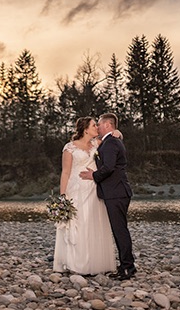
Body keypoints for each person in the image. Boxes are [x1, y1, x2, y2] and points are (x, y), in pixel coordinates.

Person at [53, 116, 116, 275]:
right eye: (94, 125)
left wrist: (117, 132)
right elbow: (65, 172)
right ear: (85, 129)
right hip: (76, 190)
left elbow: (116, 135)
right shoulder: (70, 148)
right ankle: (76, 264)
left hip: (94, 189)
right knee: (79, 224)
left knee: (94, 223)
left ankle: (95, 263)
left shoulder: (97, 143)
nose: (97, 127)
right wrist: (63, 196)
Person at [79, 113, 136, 280]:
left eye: (99, 124)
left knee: (120, 231)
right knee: (119, 230)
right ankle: (126, 265)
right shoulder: (110, 141)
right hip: (116, 192)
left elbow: (109, 167)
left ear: (108, 126)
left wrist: (94, 176)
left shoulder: (111, 142)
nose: (97, 127)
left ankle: (128, 268)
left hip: (117, 193)